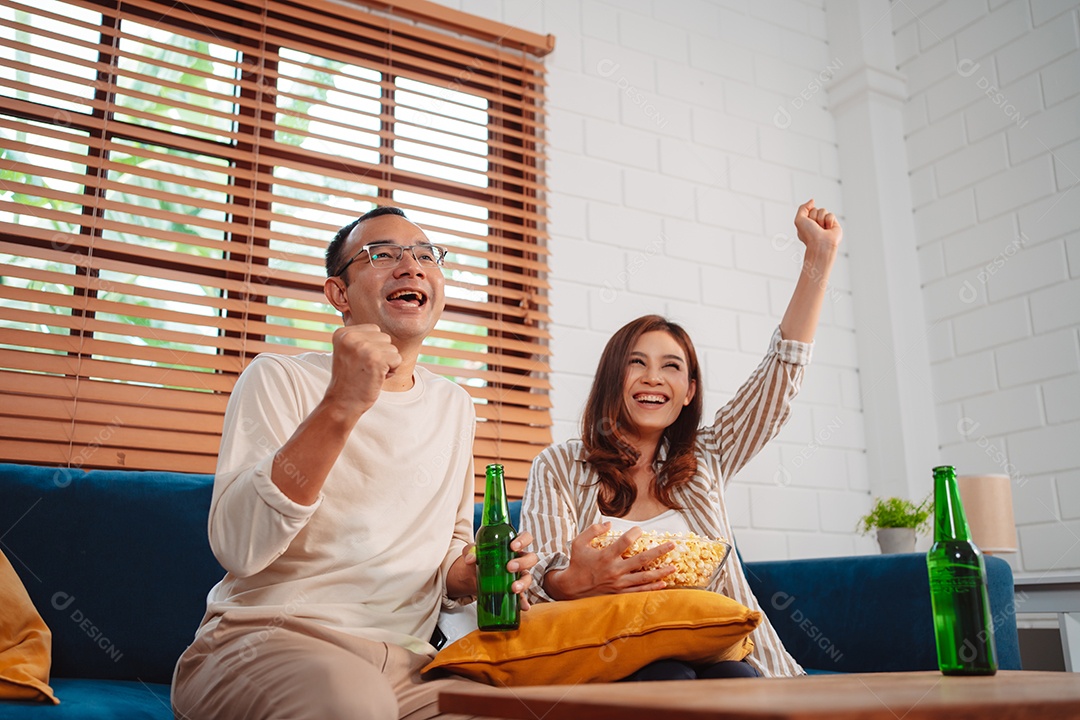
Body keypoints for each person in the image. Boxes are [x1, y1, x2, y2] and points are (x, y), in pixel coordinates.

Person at [171, 206, 538, 720]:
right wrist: (342, 403)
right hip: (267, 644)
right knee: (350, 704)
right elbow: (239, 546)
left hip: (410, 664)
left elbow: (449, 550)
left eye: (425, 254)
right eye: (382, 254)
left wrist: (473, 574)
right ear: (339, 295)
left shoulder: (454, 405)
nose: (411, 266)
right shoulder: (279, 378)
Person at [521, 199, 842, 680]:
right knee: (669, 678)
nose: (653, 378)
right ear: (613, 377)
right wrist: (577, 579)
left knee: (737, 679)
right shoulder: (560, 466)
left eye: (671, 367)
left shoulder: (707, 459)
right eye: (637, 362)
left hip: (717, 652)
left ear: (688, 391)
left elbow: (779, 377)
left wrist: (818, 259)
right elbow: (533, 586)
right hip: (609, 653)